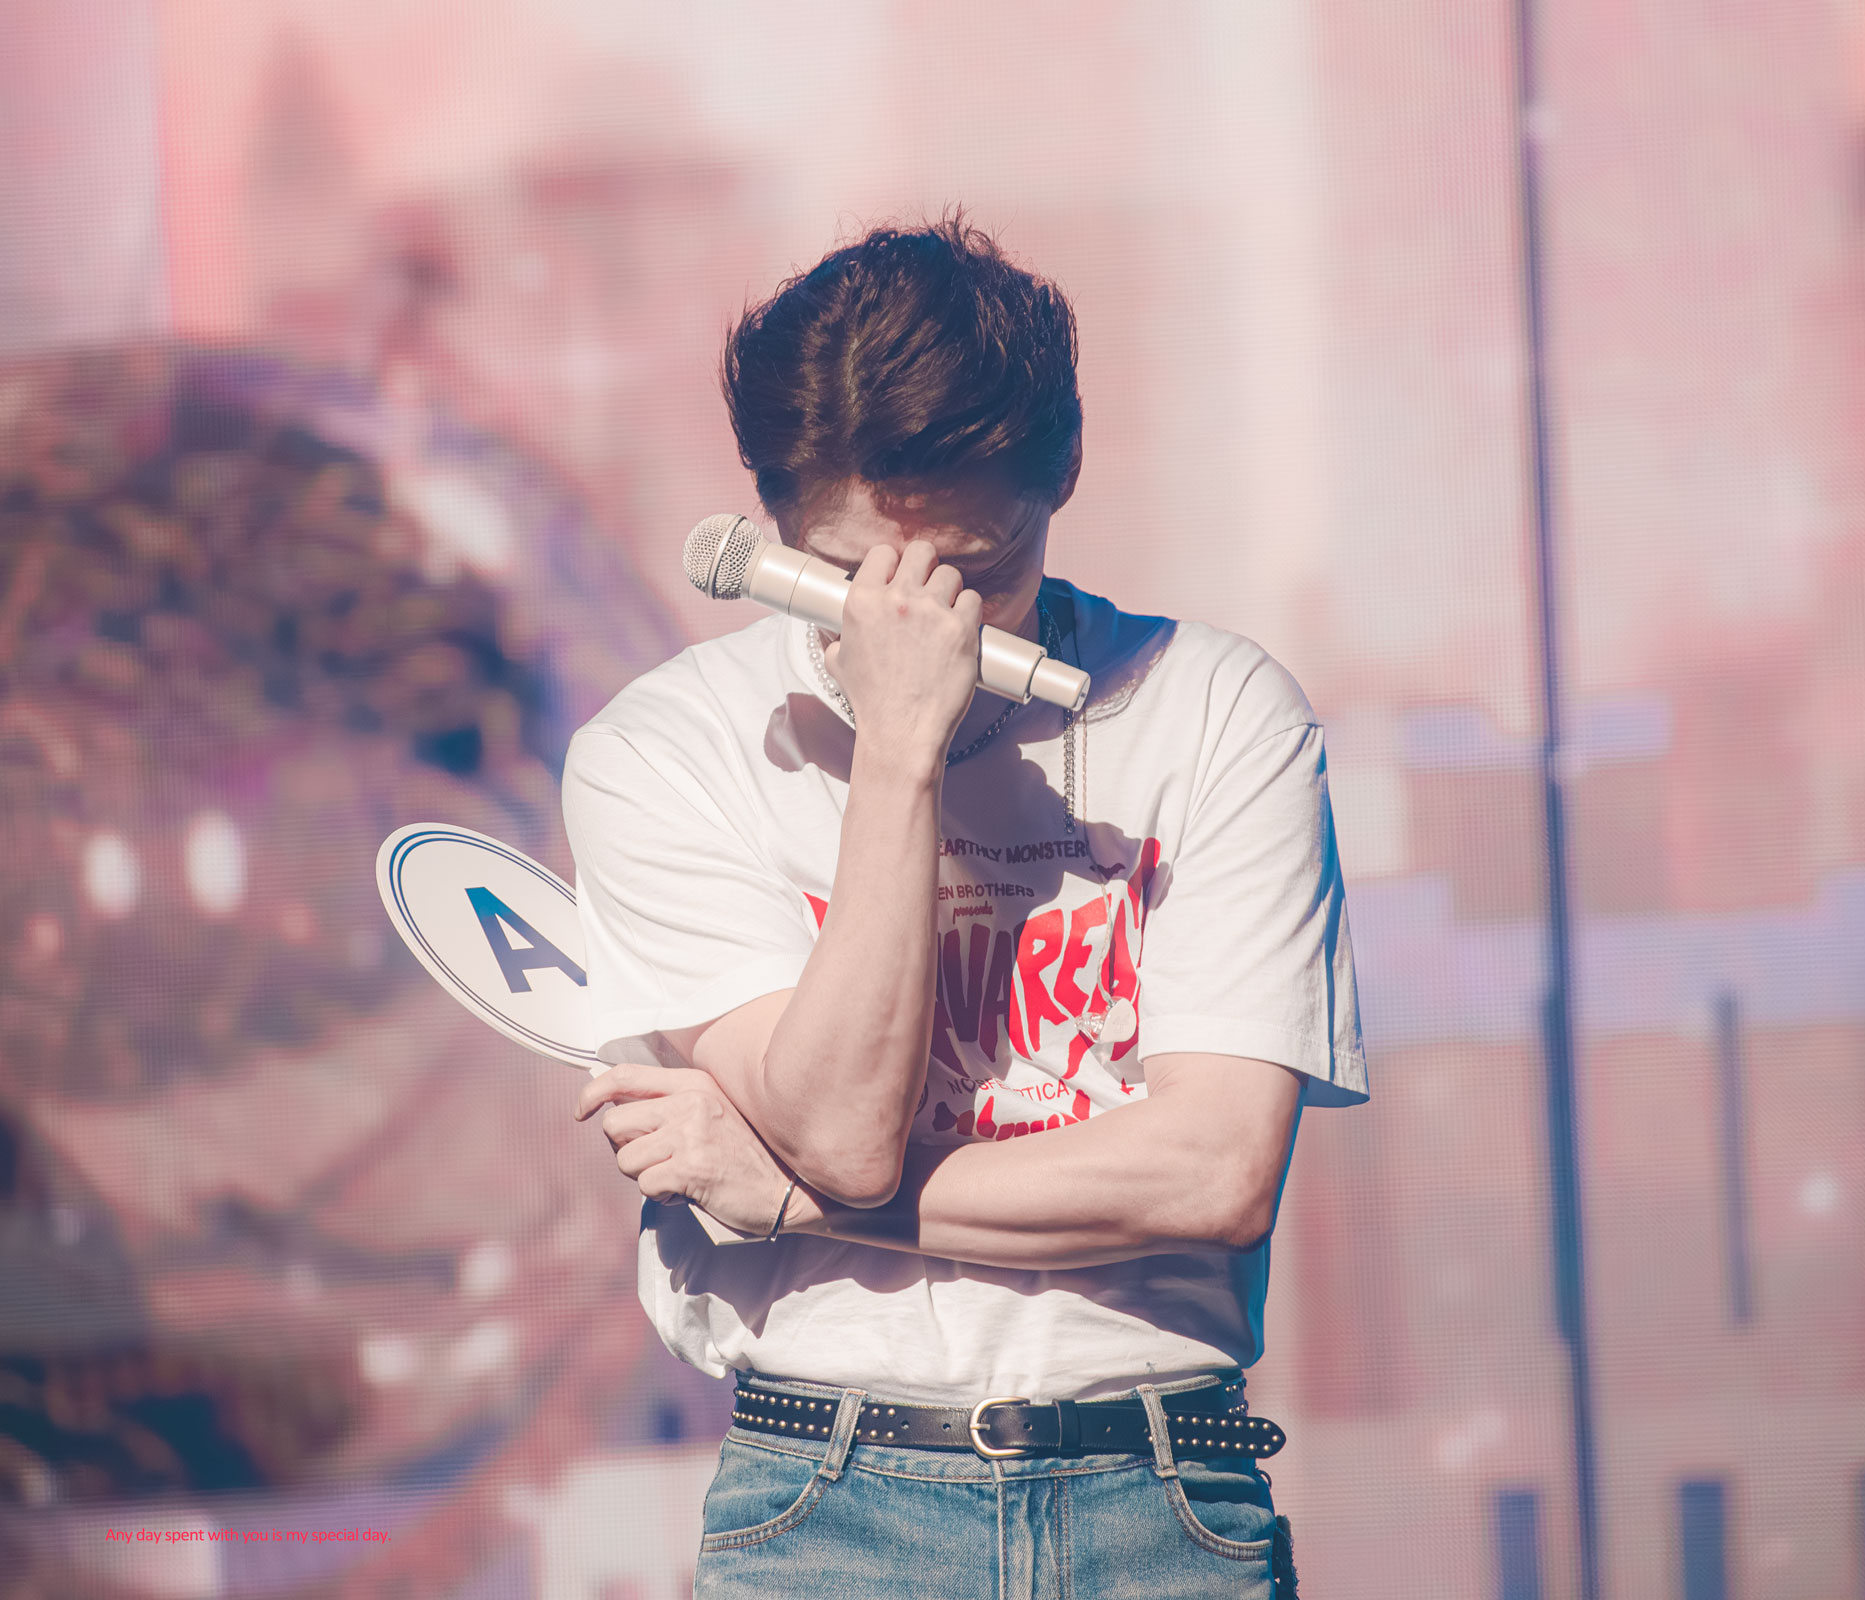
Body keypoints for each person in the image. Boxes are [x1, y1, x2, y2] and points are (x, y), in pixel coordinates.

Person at [562, 216, 1366, 1599]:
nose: (920, 626)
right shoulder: (663, 752)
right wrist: (900, 748)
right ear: (775, 528)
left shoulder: (1217, 710)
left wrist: (792, 1208)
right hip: (829, 1495)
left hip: (1159, 1487)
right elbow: (842, 1130)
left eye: (976, 574)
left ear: (1063, 469)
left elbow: (1212, 1176)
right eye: (857, 580)